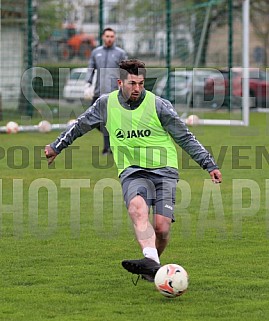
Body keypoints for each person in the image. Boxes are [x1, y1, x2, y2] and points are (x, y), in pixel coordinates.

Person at [45, 59, 222, 282]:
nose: (137, 88)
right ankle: (151, 261)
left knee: (162, 228)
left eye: (141, 83)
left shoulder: (158, 105)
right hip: (132, 171)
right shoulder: (105, 104)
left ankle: (152, 266)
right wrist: (56, 147)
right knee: (137, 210)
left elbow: (185, 137)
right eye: (132, 83)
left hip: (164, 170)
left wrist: (209, 164)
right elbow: (80, 125)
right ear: (120, 82)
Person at [87, 27, 128, 155]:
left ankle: (108, 148)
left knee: (110, 120)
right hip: (99, 92)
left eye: (112, 36)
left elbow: (125, 71)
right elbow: (91, 68)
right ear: (103, 37)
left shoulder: (120, 53)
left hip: (114, 93)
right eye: (107, 36)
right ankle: (113, 143)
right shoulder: (96, 52)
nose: (109, 39)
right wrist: (88, 84)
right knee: (93, 120)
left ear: (114, 38)